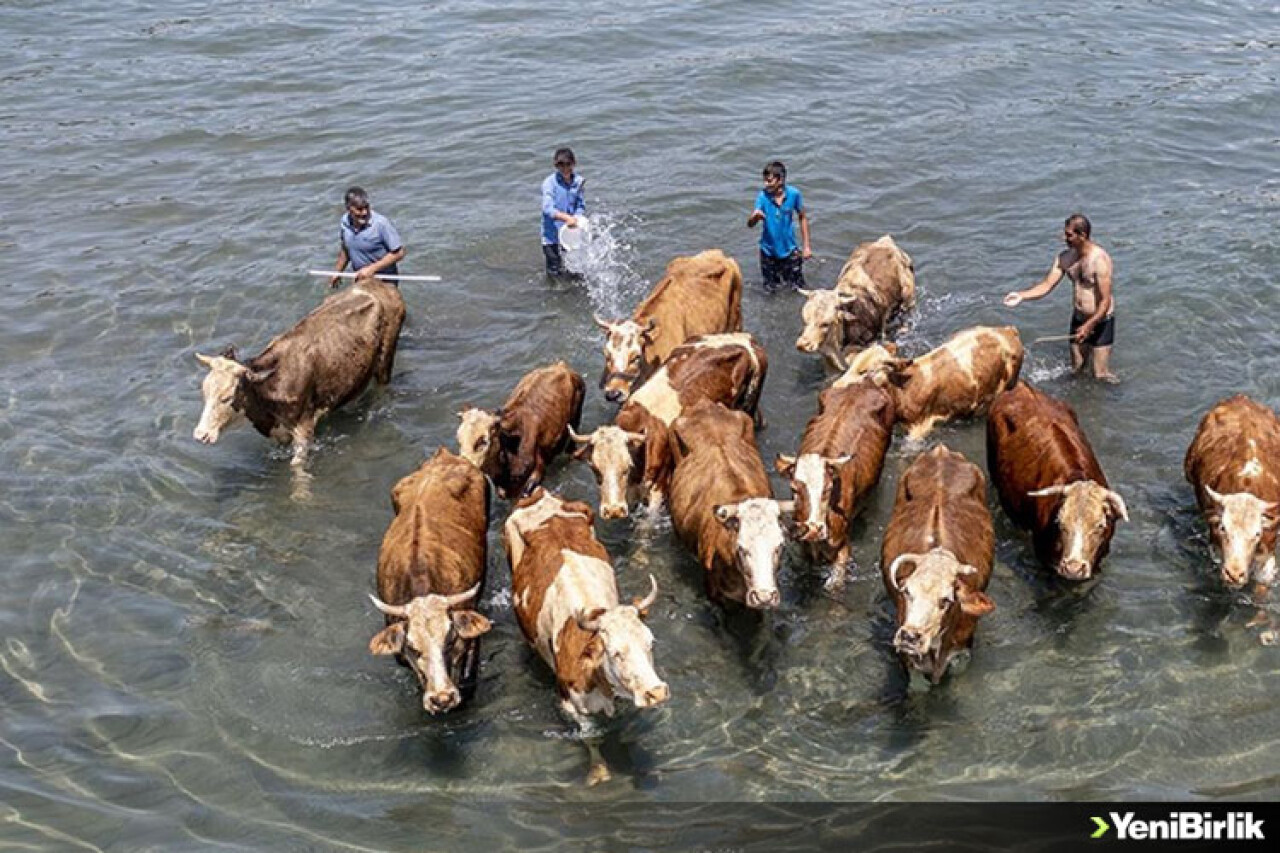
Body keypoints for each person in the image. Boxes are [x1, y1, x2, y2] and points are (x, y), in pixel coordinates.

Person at [1003, 213, 1119, 383]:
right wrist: (1021, 296)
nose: (1064, 238)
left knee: (1100, 375)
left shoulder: (1099, 260)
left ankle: (1120, 396)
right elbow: (1046, 285)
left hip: (1101, 321)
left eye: (1069, 235)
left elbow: (1105, 301)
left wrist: (1089, 325)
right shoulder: (1065, 258)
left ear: (1083, 235)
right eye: (1065, 233)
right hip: (1079, 319)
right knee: (1077, 371)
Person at [746, 160, 811, 293]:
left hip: (790, 251)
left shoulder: (794, 194)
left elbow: (802, 217)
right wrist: (754, 217)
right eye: (764, 180)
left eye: (769, 181)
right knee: (770, 292)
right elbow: (750, 224)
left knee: (798, 289)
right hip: (768, 252)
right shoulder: (762, 197)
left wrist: (806, 247)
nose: (766, 184)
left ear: (780, 180)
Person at [329, 187, 405, 287]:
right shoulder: (344, 223)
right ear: (349, 209)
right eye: (359, 209)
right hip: (360, 278)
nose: (364, 212)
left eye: (366, 207)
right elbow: (346, 249)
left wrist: (371, 269)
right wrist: (338, 271)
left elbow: (399, 253)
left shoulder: (381, 224)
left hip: (384, 280)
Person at [540, 147, 586, 279]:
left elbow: (580, 205)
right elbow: (547, 208)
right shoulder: (549, 183)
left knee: (576, 272)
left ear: (574, 163)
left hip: (570, 234)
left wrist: (577, 218)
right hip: (551, 236)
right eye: (561, 165)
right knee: (554, 273)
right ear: (555, 165)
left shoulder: (579, 182)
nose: (565, 168)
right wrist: (566, 218)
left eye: (568, 164)